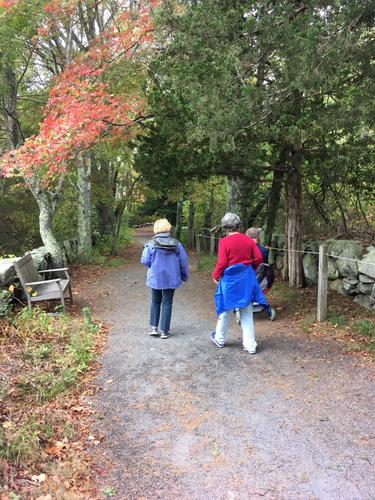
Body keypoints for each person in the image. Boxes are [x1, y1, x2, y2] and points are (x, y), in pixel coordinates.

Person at [210, 213, 269, 354]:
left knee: (226, 309)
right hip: (246, 279)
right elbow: (259, 257)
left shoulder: (224, 242)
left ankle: (220, 338)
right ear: (238, 225)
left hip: (230, 280)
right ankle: (250, 345)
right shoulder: (248, 240)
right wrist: (250, 268)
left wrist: (215, 275)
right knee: (247, 311)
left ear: (224, 227)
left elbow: (222, 263)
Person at [141, 218, 188, 339]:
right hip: (171, 278)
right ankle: (164, 331)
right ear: (168, 228)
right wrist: (184, 276)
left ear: (156, 229)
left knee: (155, 300)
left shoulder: (150, 244)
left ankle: (153, 328)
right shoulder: (177, 244)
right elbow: (183, 262)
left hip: (155, 278)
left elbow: (145, 261)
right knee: (167, 302)